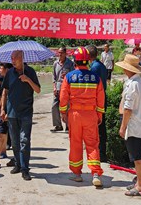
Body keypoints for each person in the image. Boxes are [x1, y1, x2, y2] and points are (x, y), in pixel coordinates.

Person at [59, 46, 105, 187]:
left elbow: (63, 98)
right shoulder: (96, 78)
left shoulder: (69, 77)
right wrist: (99, 114)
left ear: (75, 61)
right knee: (92, 145)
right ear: (87, 61)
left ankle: (77, 173)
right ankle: (95, 174)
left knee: (76, 143)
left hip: (75, 115)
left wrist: (63, 113)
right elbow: (101, 98)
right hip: (90, 114)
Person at [0, 49, 41, 181]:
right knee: (15, 142)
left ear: (21, 58)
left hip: (26, 112)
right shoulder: (10, 73)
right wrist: (3, 109)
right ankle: (17, 163)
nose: (12, 61)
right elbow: (5, 91)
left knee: (24, 140)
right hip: (11, 113)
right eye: (11, 58)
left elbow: (38, 90)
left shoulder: (30, 72)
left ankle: (25, 169)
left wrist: (27, 80)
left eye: (15, 58)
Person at [115, 53, 141, 197]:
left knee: (137, 158)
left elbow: (128, 109)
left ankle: (140, 186)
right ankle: (139, 183)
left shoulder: (132, 85)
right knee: (138, 155)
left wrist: (123, 127)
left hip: (134, 124)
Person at [86, 44, 109, 162]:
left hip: (97, 99)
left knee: (97, 126)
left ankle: (99, 152)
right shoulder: (101, 65)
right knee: (102, 125)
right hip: (103, 97)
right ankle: (103, 152)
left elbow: (92, 86)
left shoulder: (94, 67)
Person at [51, 45, 74, 132]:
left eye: (61, 53)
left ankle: (68, 125)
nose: (59, 54)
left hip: (66, 88)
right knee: (54, 106)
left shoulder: (70, 63)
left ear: (65, 53)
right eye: (59, 53)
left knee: (67, 106)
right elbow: (54, 77)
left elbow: (73, 75)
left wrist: (67, 76)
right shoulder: (55, 63)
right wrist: (54, 87)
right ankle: (58, 125)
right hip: (57, 87)